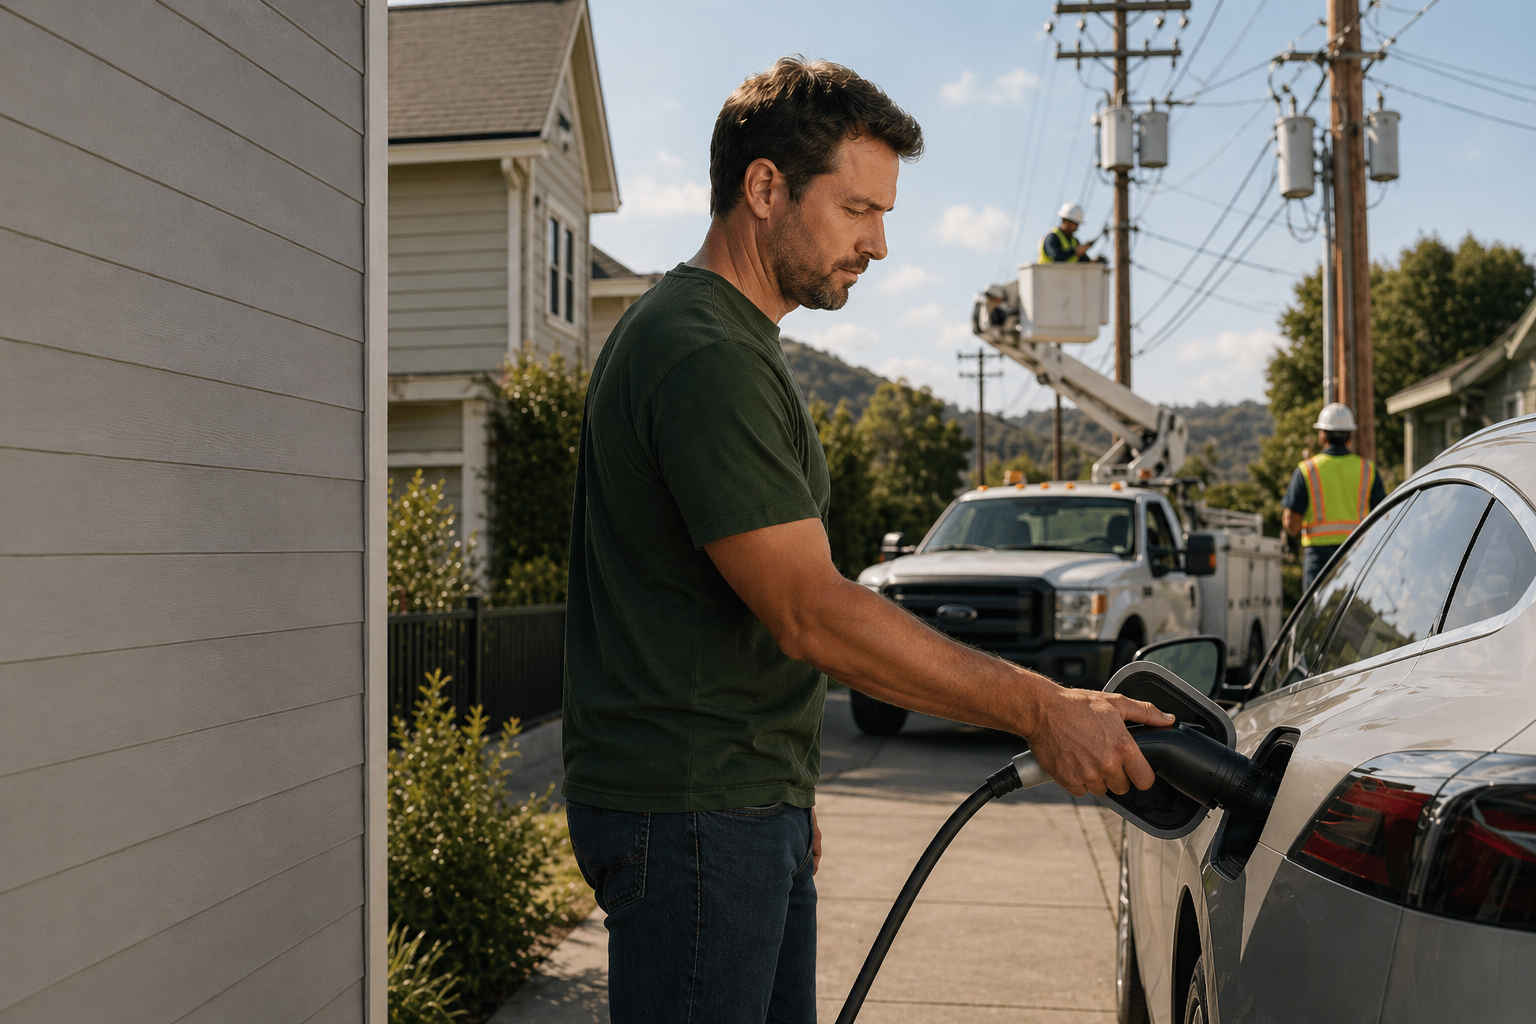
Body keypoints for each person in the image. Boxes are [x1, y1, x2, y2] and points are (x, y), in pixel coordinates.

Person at [561, 57, 1174, 1024]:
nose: (879, 244)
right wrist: (1041, 707)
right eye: (857, 210)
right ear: (765, 187)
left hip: (735, 800)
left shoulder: (733, 342)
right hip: (693, 813)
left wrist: (784, 786)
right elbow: (811, 611)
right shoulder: (703, 353)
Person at [1281, 402, 1387, 591]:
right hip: (1357, 553)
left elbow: (1291, 522)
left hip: (1318, 558)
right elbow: (1384, 516)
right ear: (1350, 435)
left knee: (1316, 615)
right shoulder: (1367, 469)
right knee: (1354, 614)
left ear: (1322, 435)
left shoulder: (1307, 469)